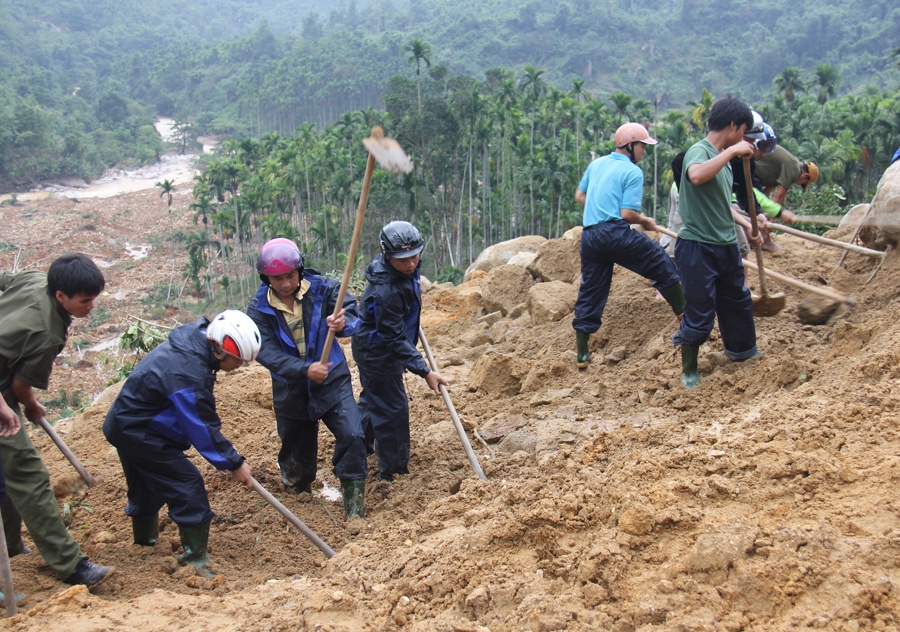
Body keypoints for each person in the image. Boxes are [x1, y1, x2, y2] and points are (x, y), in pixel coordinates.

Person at [103, 310, 260, 576]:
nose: (240, 366)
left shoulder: (194, 343)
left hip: (128, 423)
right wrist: (234, 462)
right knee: (186, 484)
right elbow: (201, 425)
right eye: (238, 360)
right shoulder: (189, 373)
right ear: (219, 348)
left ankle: (144, 542)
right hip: (140, 430)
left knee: (146, 485)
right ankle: (196, 559)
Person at [0, 253, 113, 587]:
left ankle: (10, 545)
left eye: (94, 298)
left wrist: (26, 404)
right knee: (28, 472)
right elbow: (19, 387)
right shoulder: (46, 331)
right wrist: (28, 404)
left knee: (9, 472)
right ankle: (70, 565)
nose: (91, 307)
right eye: (85, 301)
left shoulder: (35, 280)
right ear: (61, 295)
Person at [246, 238, 368, 520]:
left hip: (332, 380)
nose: (286, 283)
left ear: (299, 270)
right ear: (266, 279)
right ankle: (299, 498)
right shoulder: (259, 310)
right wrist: (304, 370)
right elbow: (266, 353)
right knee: (297, 456)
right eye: (277, 278)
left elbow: (353, 313)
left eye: (290, 275)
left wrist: (343, 323)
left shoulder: (324, 289)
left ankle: (354, 508)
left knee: (352, 434)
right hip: (291, 388)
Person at [572, 122, 685, 369]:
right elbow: (627, 214)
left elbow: (580, 196)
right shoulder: (633, 172)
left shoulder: (596, 164)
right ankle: (686, 317)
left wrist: (602, 203)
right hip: (614, 233)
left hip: (590, 237)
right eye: (642, 146)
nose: (644, 151)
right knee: (660, 261)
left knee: (591, 290)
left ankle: (582, 354)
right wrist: (645, 221)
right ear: (630, 145)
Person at [672, 97, 763, 389]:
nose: (744, 138)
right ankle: (689, 370)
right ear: (733, 125)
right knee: (700, 309)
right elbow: (696, 175)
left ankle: (743, 352)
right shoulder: (699, 152)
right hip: (698, 247)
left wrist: (748, 225)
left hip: (725, 245)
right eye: (743, 131)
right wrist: (734, 151)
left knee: (737, 301)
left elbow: (724, 205)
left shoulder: (723, 163)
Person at [352, 221, 448, 482]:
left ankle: (356, 444)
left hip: (375, 345)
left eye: (415, 256)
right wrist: (424, 371)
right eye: (403, 260)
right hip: (378, 354)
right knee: (392, 412)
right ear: (386, 255)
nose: (410, 264)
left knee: (374, 400)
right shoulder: (386, 290)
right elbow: (393, 338)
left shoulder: (403, 268)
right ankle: (393, 473)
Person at [754, 144, 819, 205]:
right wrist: (774, 213)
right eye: (803, 184)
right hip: (751, 167)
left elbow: (765, 193)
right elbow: (778, 198)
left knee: (756, 202)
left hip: (754, 174)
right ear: (805, 176)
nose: (799, 184)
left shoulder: (783, 174)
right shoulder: (794, 170)